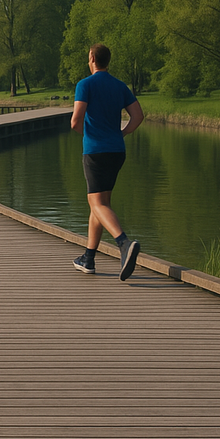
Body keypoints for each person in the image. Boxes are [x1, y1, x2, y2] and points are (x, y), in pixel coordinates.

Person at [70, 44, 144, 280]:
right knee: (100, 204)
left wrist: (90, 137)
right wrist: (121, 133)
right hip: (116, 151)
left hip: (96, 152)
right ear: (107, 60)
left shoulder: (85, 85)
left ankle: (123, 243)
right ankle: (88, 258)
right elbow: (138, 116)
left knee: (97, 204)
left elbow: (75, 121)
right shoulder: (119, 85)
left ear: (92, 58)